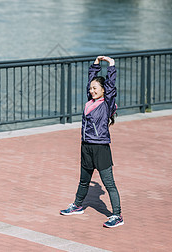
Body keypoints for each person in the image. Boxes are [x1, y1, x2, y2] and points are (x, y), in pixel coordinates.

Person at [60, 56, 123, 228]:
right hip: (86, 146)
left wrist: (111, 65)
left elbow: (110, 86)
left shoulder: (106, 104)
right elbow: (91, 80)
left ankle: (117, 215)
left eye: (96, 88)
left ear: (104, 90)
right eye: (91, 89)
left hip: (100, 147)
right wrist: (96, 64)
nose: (93, 90)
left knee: (109, 184)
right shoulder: (90, 102)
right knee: (83, 181)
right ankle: (77, 205)